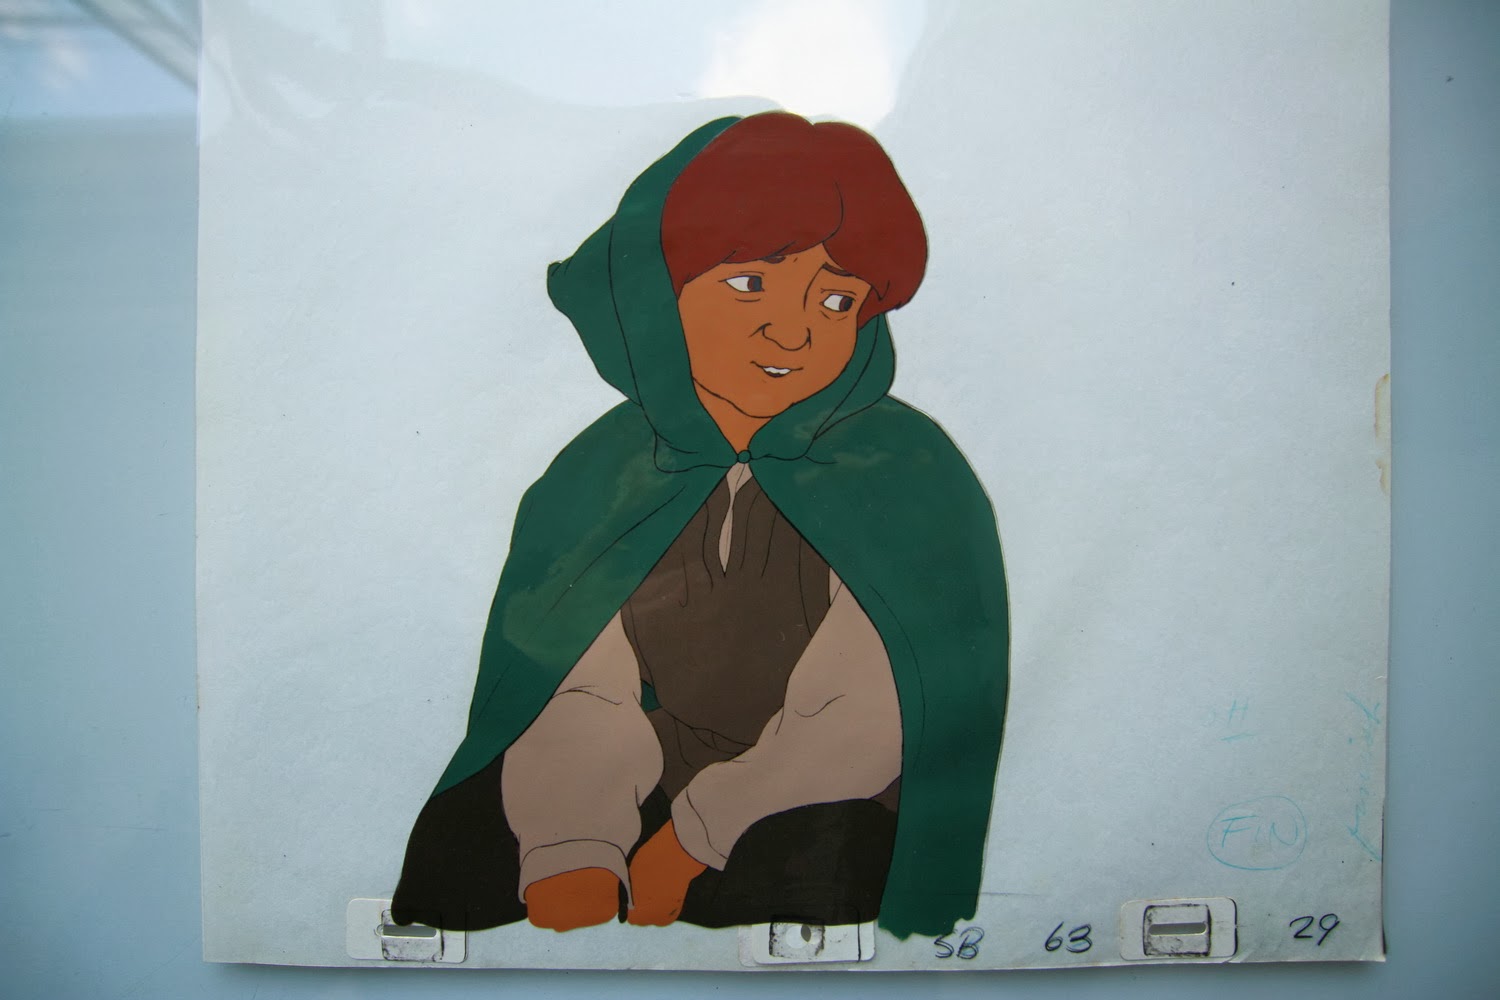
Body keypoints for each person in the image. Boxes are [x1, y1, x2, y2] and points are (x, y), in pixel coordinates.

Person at [391, 112, 1009, 940]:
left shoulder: (905, 471)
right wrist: (574, 845)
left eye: (836, 300)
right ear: (660, 289)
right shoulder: (604, 472)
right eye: (750, 284)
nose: (793, 331)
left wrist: (693, 840)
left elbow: (868, 711)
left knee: (819, 862)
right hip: (637, 771)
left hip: (822, 789)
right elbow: (577, 682)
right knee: (474, 848)